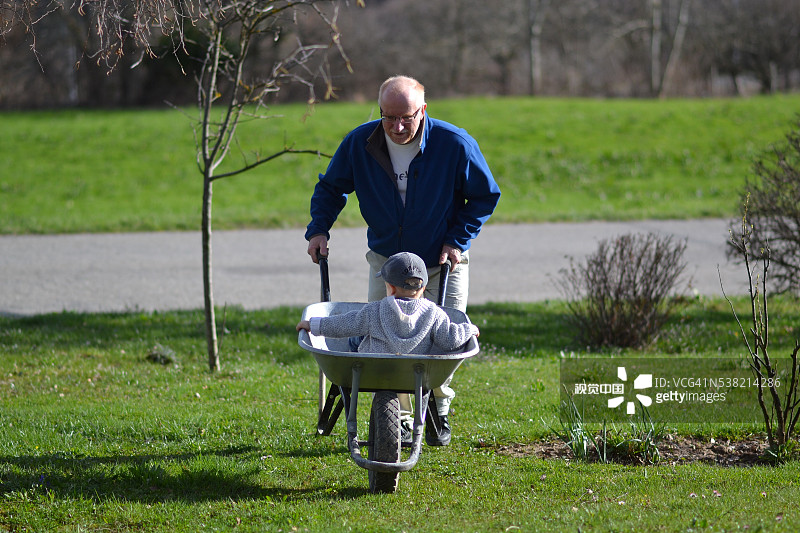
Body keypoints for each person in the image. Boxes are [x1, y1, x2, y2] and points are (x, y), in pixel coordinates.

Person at [304, 75, 500, 443]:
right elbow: (331, 188)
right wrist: (319, 229)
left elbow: (485, 195)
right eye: (388, 116)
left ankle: (438, 402)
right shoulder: (360, 143)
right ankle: (401, 417)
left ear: (423, 110)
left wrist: (456, 242)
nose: (396, 126)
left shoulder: (454, 143)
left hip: (443, 259)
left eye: (406, 118)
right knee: (386, 340)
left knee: (443, 341)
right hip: (387, 261)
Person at [297, 252, 479, 446]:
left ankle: (354, 432)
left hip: (371, 371)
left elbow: (345, 324)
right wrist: (469, 330)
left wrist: (314, 325)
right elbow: (450, 339)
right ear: (424, 287)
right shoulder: (434, 313)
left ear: (390, 288)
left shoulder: (375, 310)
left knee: (357, 336)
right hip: (415, 373)